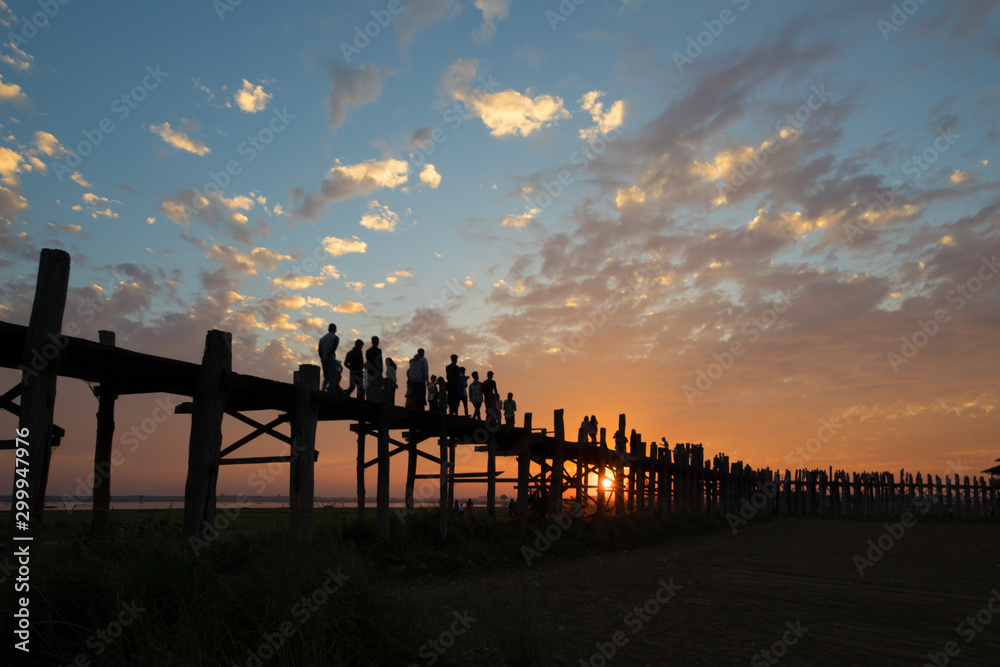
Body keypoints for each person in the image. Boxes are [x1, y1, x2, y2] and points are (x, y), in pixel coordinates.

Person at [318, 323, 340, 392]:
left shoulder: (322, 339)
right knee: (332, 377)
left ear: (328, 329)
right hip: (330, 359)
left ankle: (322, 390)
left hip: (323, 360)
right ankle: (330, 392)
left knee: (326, 377)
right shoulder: (336, 338)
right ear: (335, 330)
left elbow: (319, 349)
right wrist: (327, 356)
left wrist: (322, 357)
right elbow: (333, 348)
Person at [365, 335, 383, 402]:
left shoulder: (368, 351)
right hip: (377, 371)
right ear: (377, 342)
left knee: (370, 388)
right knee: (378, 387)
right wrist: (380, 371)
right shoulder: (378, 351)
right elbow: (380, 361)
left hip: (370, 371)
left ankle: (370, 400)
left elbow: (367, 361)